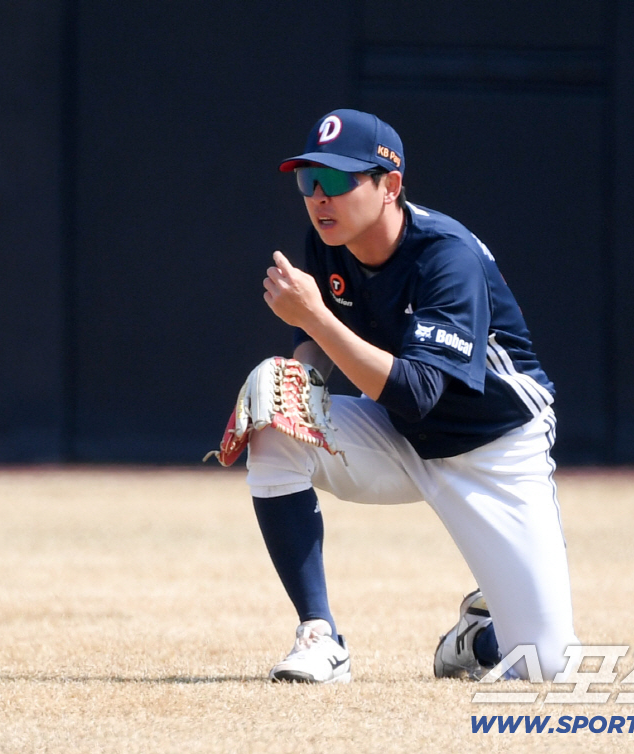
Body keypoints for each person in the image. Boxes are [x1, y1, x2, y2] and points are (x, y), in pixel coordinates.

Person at [246, 108, 579, 684]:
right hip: (398, 437)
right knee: (277, 421)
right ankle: (320, 636)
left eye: (337, 181)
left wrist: (317, 318)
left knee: (545, 666)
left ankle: (485, 626)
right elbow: (317, 344)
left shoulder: (446, 256)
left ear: (390, 185)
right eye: (308, 181)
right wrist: (298, 384)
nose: (320, 198)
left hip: (494, 450)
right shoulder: (327, 244)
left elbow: (419, 391)